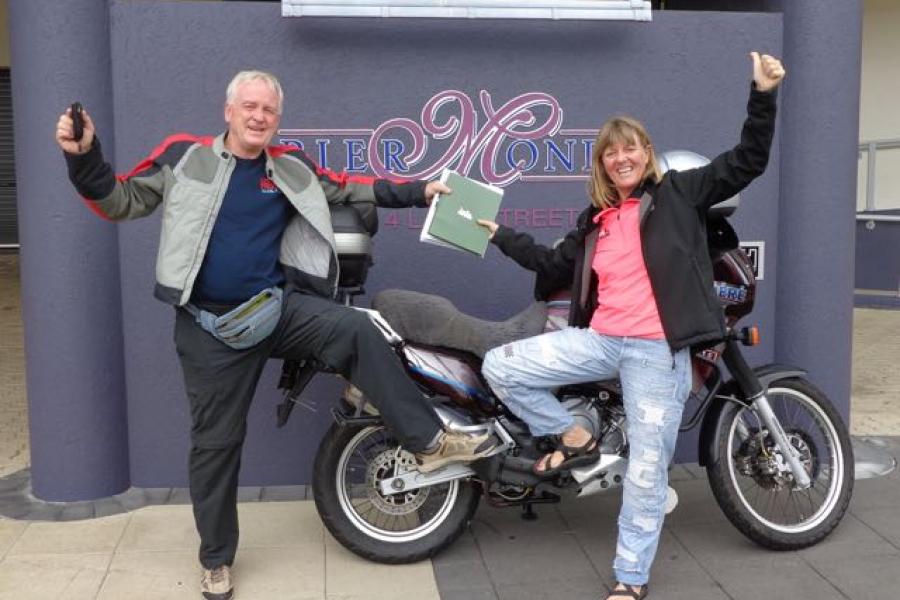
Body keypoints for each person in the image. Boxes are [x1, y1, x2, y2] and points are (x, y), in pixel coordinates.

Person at [55, 70, 496, 600]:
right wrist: (84, 157)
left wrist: (422, 191)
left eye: (268, 109)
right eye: (249, 106)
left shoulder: (289, 167)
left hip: (276, 310)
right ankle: (216, 560)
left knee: (358, 329)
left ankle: (428, 441)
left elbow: (354, 188)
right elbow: (119, 200)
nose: (258, 116)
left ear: (276, 119)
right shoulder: (185, 157)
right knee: (216, 445)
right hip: (208, 328)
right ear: (228, 111)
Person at [478, 52, 785, 600]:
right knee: (501, 364)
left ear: (646, 153)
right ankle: (574, 433)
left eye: (631, 148)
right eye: (610, 152)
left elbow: (747, 160)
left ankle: (630, 579)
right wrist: (499, 234)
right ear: (601, 164)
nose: (621, 158)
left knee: (646, 471)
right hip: (599, 343)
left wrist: (762, 94)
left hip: (652, 353)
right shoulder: (595, 220)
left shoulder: (680, 195)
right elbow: (553, 267)